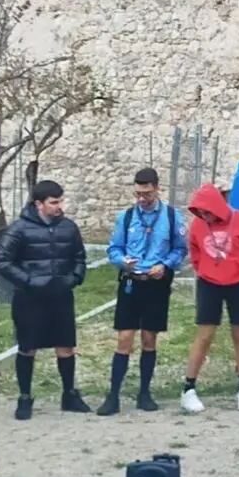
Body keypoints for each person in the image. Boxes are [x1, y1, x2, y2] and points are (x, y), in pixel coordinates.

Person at [0, 180, 90, 420]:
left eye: (60, 201)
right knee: (27, 347)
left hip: (60, 296)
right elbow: (3, 261)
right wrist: (29, 281)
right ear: (39, 204)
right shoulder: (19, 229)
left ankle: (69, 394)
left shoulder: (68, 228)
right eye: (53, 202)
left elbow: (79, 257)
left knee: (66, 346)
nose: (59, 206)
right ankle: (25, 397)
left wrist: (74, 278)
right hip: (30, 298)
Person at [102, 168, 187, 416]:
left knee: (149, 339)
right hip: (131, 282)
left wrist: (166, 265)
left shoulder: (172, 217)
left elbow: (180, 250)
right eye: (138, 193)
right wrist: (122, 261)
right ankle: (113, 395)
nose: (142, 199)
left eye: (147, 194)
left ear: (157, 189)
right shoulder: (126, 217)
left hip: (156, 284)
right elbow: (113, 249)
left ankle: (144, 393)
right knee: (124, 339)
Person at [180, 182, 239, 413]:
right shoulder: (197, 225)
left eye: (206, 210)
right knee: (204, 335)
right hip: (209, 283)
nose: (204, 215)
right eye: (200, 212)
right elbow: (195, 253)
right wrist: (207, 270)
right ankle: (189, 387)